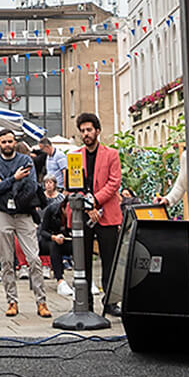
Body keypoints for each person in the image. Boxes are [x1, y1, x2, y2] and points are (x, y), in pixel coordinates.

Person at [0, 128, 49, 319]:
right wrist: (14, 179)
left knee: (34, 259)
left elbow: (29, 187)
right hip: (3, 213)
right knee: (6, 261)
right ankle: (11, 301)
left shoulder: (25, 160)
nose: (7, 145)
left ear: (15, 142)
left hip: (23, 213)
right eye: (3, 142)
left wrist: (4, 184)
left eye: (10, 141)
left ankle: (42, 301)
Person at [77, 113, 122, 315]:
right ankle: (85, 301)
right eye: (83, 130)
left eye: (89, 130)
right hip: (84, 216)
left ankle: (110, 302)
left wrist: (94, 201)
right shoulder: (76, 156)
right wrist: (88, 207)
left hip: (107, 214)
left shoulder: (111, 154)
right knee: (83, 259)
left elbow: (114, 183)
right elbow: (73, 185)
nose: (86, 134)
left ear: (97, 131)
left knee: (109, 259)